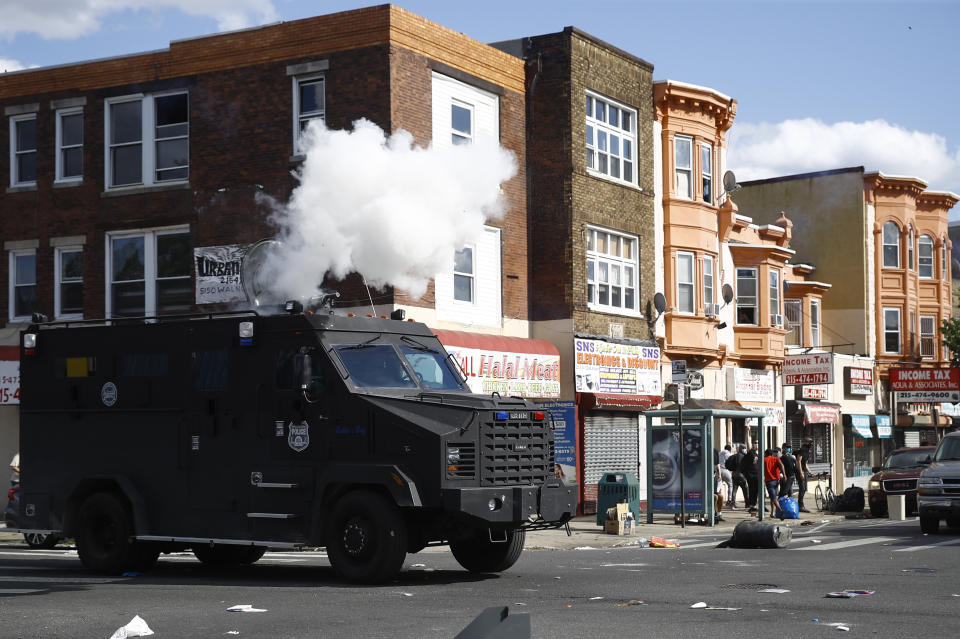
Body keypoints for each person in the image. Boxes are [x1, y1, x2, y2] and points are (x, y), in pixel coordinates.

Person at [764, 448, 787, 518]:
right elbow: (782, 466)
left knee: (773, 497)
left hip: (769, 481)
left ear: (765, 454)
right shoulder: (776, 459)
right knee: (773, 497)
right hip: (777, 481)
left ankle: (780, 510)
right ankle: (772, 513)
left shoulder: (764, 460)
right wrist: (784, 475)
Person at [740, 444, 760, 513]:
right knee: (752, 490)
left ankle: (753, 505)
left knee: (755, 490)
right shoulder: (750, 454)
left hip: (756, 475)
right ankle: (752, 506)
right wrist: (746, 474)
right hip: (751, 475)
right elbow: (743, 465)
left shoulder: (756, 454)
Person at [727, 445, 748, 509]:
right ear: (741, 449)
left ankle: (733, 504)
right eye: (744, 448)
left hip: (734, 475)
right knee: (745, 490)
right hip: (742, 475)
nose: (745, 449)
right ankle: (747, 504)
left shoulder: (733, 456)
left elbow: (728, 464)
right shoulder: (745, 457)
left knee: (734, 490)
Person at [795, 438, 812, 513]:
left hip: (804, 470)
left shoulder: (808, 451)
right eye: (809, 442)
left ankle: (801, 505)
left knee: (804, 488)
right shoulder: (802, 450)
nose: (810, 444)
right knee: (802, 488)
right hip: (799, 471)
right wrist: (801, 473)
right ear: (805, 442)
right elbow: (798, 461)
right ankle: (800, 506)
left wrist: (810, 472)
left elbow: (805, 463)